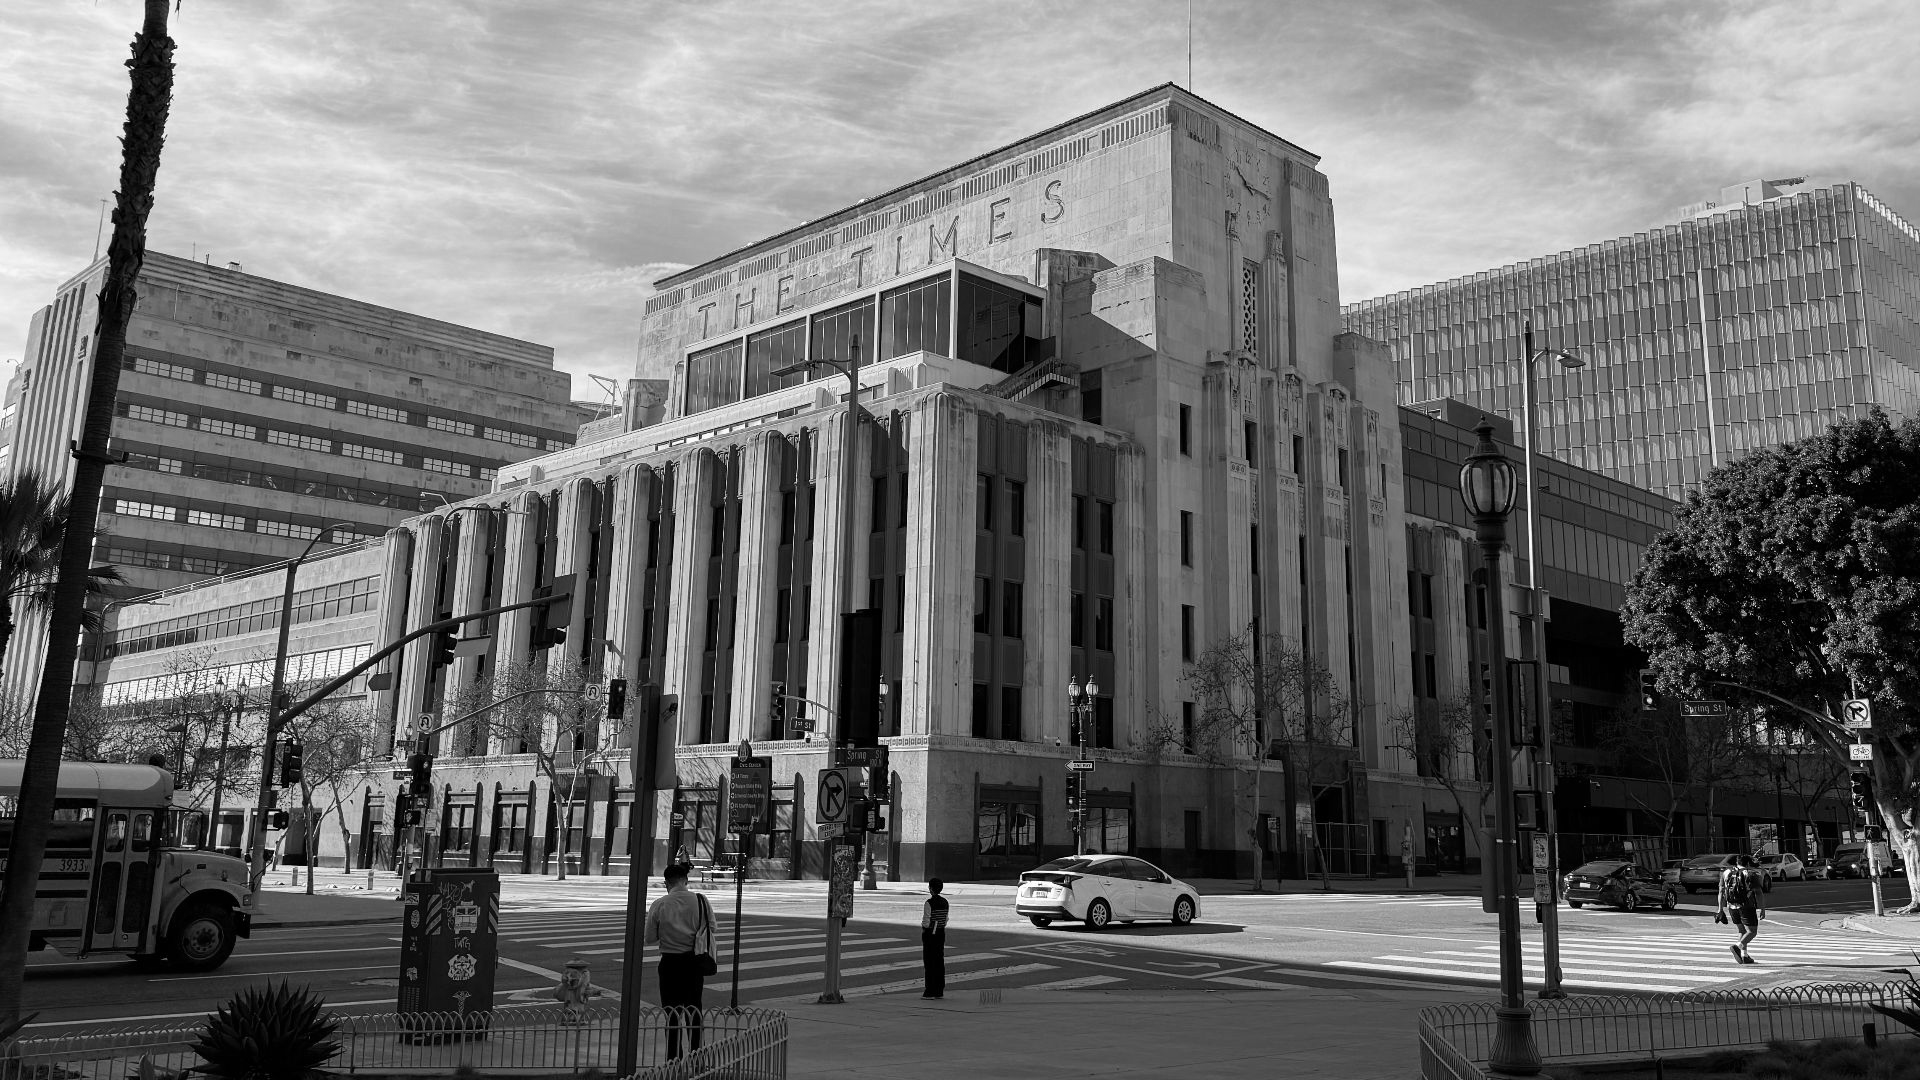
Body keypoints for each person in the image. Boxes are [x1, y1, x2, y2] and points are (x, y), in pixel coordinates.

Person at [643, 863, 711, 1058]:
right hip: (694, 962)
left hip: (670, 963)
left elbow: (650, 938)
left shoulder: (660, 904)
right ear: (686, 881)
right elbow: (712, 928)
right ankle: (697, 1058)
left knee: (672, 1014)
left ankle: (673, 1060)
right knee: (694, 1011)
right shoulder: (700, 901)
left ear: (667, 883)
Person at [1717, 859, 1766, 964]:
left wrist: (1720, 909)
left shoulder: (1726, 872)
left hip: (1732, 906)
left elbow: (1721, 891)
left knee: (1742, 931)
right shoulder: (1750, 873)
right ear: (1747, 864)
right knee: (1752, 931)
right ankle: (1738, 947)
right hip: (1746, 906)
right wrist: (1762, 908)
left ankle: (1745, 956)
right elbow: (1758, 892)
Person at [921, 877, 949, 999]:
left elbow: (926, 922)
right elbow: (946, 919)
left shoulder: (929, 903)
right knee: (939, 961)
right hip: (941, 933)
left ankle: (929, 991)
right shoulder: (945, 902)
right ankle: (939, 990)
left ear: (931, 889)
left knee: (929, 962)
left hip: (930, 934)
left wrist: (924, 927)